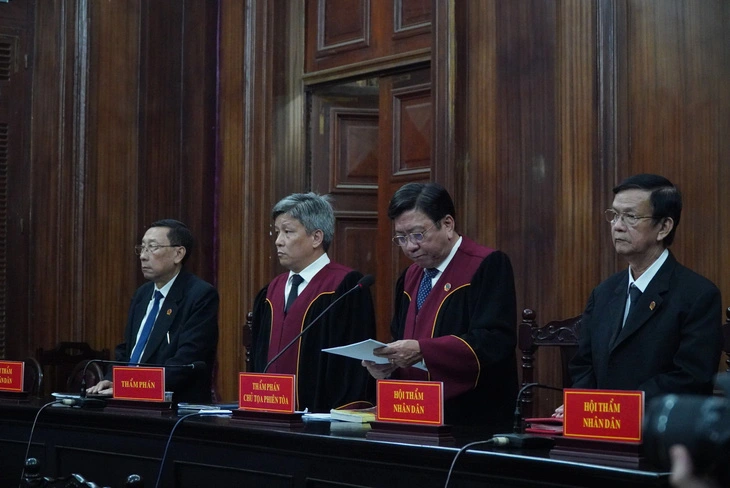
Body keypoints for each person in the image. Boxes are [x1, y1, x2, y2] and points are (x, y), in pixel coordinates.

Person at [554, 174, 722, 417]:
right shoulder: (603, 293)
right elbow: (583, 364)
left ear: (664, 227)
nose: (617, 226)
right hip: (602, 425)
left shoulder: (698, 295)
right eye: (614, 215)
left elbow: (691, 376)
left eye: (631, 217)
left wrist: (624, 406)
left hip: (659, 427)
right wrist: (584, 404)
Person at [362, 182, 518, 430]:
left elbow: (495, 340)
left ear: (447, 224)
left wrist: (424, 351)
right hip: (412, 411)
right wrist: (389, 364)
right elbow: (400, 337)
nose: (410, 246)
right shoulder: (409, 277)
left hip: (470, 418)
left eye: (417, 234)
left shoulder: (486, 265)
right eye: (401, 238)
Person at [250, 192, 376, 412]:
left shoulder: (346, 287)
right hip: (269, 414)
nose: (278, 241)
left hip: (320, 418)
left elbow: (352, 367)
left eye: (288, 232)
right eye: (277, 232)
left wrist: (339, 417)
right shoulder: (270, 291)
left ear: (316, 237)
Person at [88, 219, 219, 403]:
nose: (143, 256)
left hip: (172, 406)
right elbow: (127, 349)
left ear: (178, 254)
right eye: (142, 248)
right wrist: (112, 379)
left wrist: (131, 387)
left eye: (152, 247)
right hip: (126, 401)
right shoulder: (142, 294)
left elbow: (185, 361)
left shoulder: (200, 295)